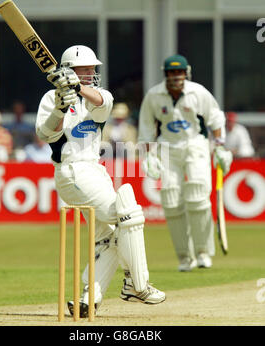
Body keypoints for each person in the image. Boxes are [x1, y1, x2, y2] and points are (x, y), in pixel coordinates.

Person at [36, 45, 165, 318]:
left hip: (95, 170)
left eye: (94, 68)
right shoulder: (51, 97)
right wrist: (60, 108)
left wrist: (77, 88)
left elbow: (101, 105)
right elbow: (46, 134)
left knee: (109, 238)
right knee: (127, 214)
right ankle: (136, 284)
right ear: (71, 69)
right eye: (86, 69)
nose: (92, 72)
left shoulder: (100, 95)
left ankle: (87, 299)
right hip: (72, 171)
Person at [138, 54, 233, 272]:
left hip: (195, 144)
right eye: (171, 73)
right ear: (165, 74)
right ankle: (183, 256)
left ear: (186, 72)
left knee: (198, 197)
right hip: (167, 148)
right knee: (170, 200)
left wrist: (219, 147)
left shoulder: (198, 92)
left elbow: (216, 119)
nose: (175, 77)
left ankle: (202, 252)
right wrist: (148, 155)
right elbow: (145, 128)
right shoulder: (154, 95)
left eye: (179, 72)